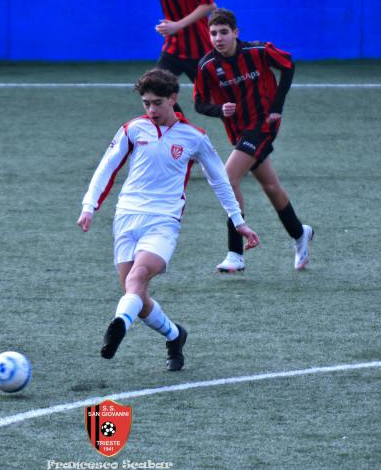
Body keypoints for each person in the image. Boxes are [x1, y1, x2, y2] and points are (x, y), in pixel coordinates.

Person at [77, 69, 259, 371]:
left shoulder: (195, 137)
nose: (151, 110)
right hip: (126, 217)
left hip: (163, 221)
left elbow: (220, 180)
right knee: (136, 296)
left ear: (173, 99)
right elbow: (106, 167)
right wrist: (89, 206)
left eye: (157, 103)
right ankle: (175, 335)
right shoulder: (133, 129)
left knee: (136, 279)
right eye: (146, 103)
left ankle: (118, 324)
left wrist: (238, 221)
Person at [193, 8, 314, 273]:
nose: (218, 38)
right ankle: (299, 233)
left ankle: (235, 254)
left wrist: (277, 106)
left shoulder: (258, 51)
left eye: (223, 32)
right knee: (270, 186)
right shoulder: (207, 66)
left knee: (227, 178)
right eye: (213, 33)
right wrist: (219, 109)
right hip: (239, 132)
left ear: (235, 32)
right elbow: (199, 103)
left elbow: (288, 65)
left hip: (263, 125)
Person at [152, 0, 216, 83]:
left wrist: (177, 25)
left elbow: (209, 5)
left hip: (198, 48)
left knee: (210, 93)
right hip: (173, 46)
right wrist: (166, 27)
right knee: (155, 86)